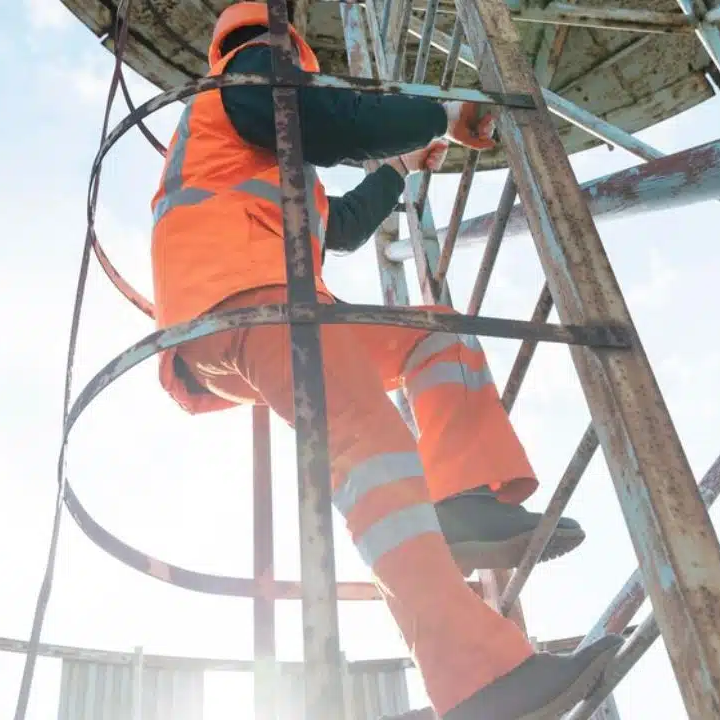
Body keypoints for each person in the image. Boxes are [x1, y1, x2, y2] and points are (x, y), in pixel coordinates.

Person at [149, 3, 623, 717]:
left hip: (270, 307)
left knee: (438, 336)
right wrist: (437, 115)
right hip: (242, 298)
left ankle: (464, 499)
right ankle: (475, 677)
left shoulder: (260, 142)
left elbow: (335, 228)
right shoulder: (247, 77)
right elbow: (333, 122)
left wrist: (399, 165)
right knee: (372, 448)